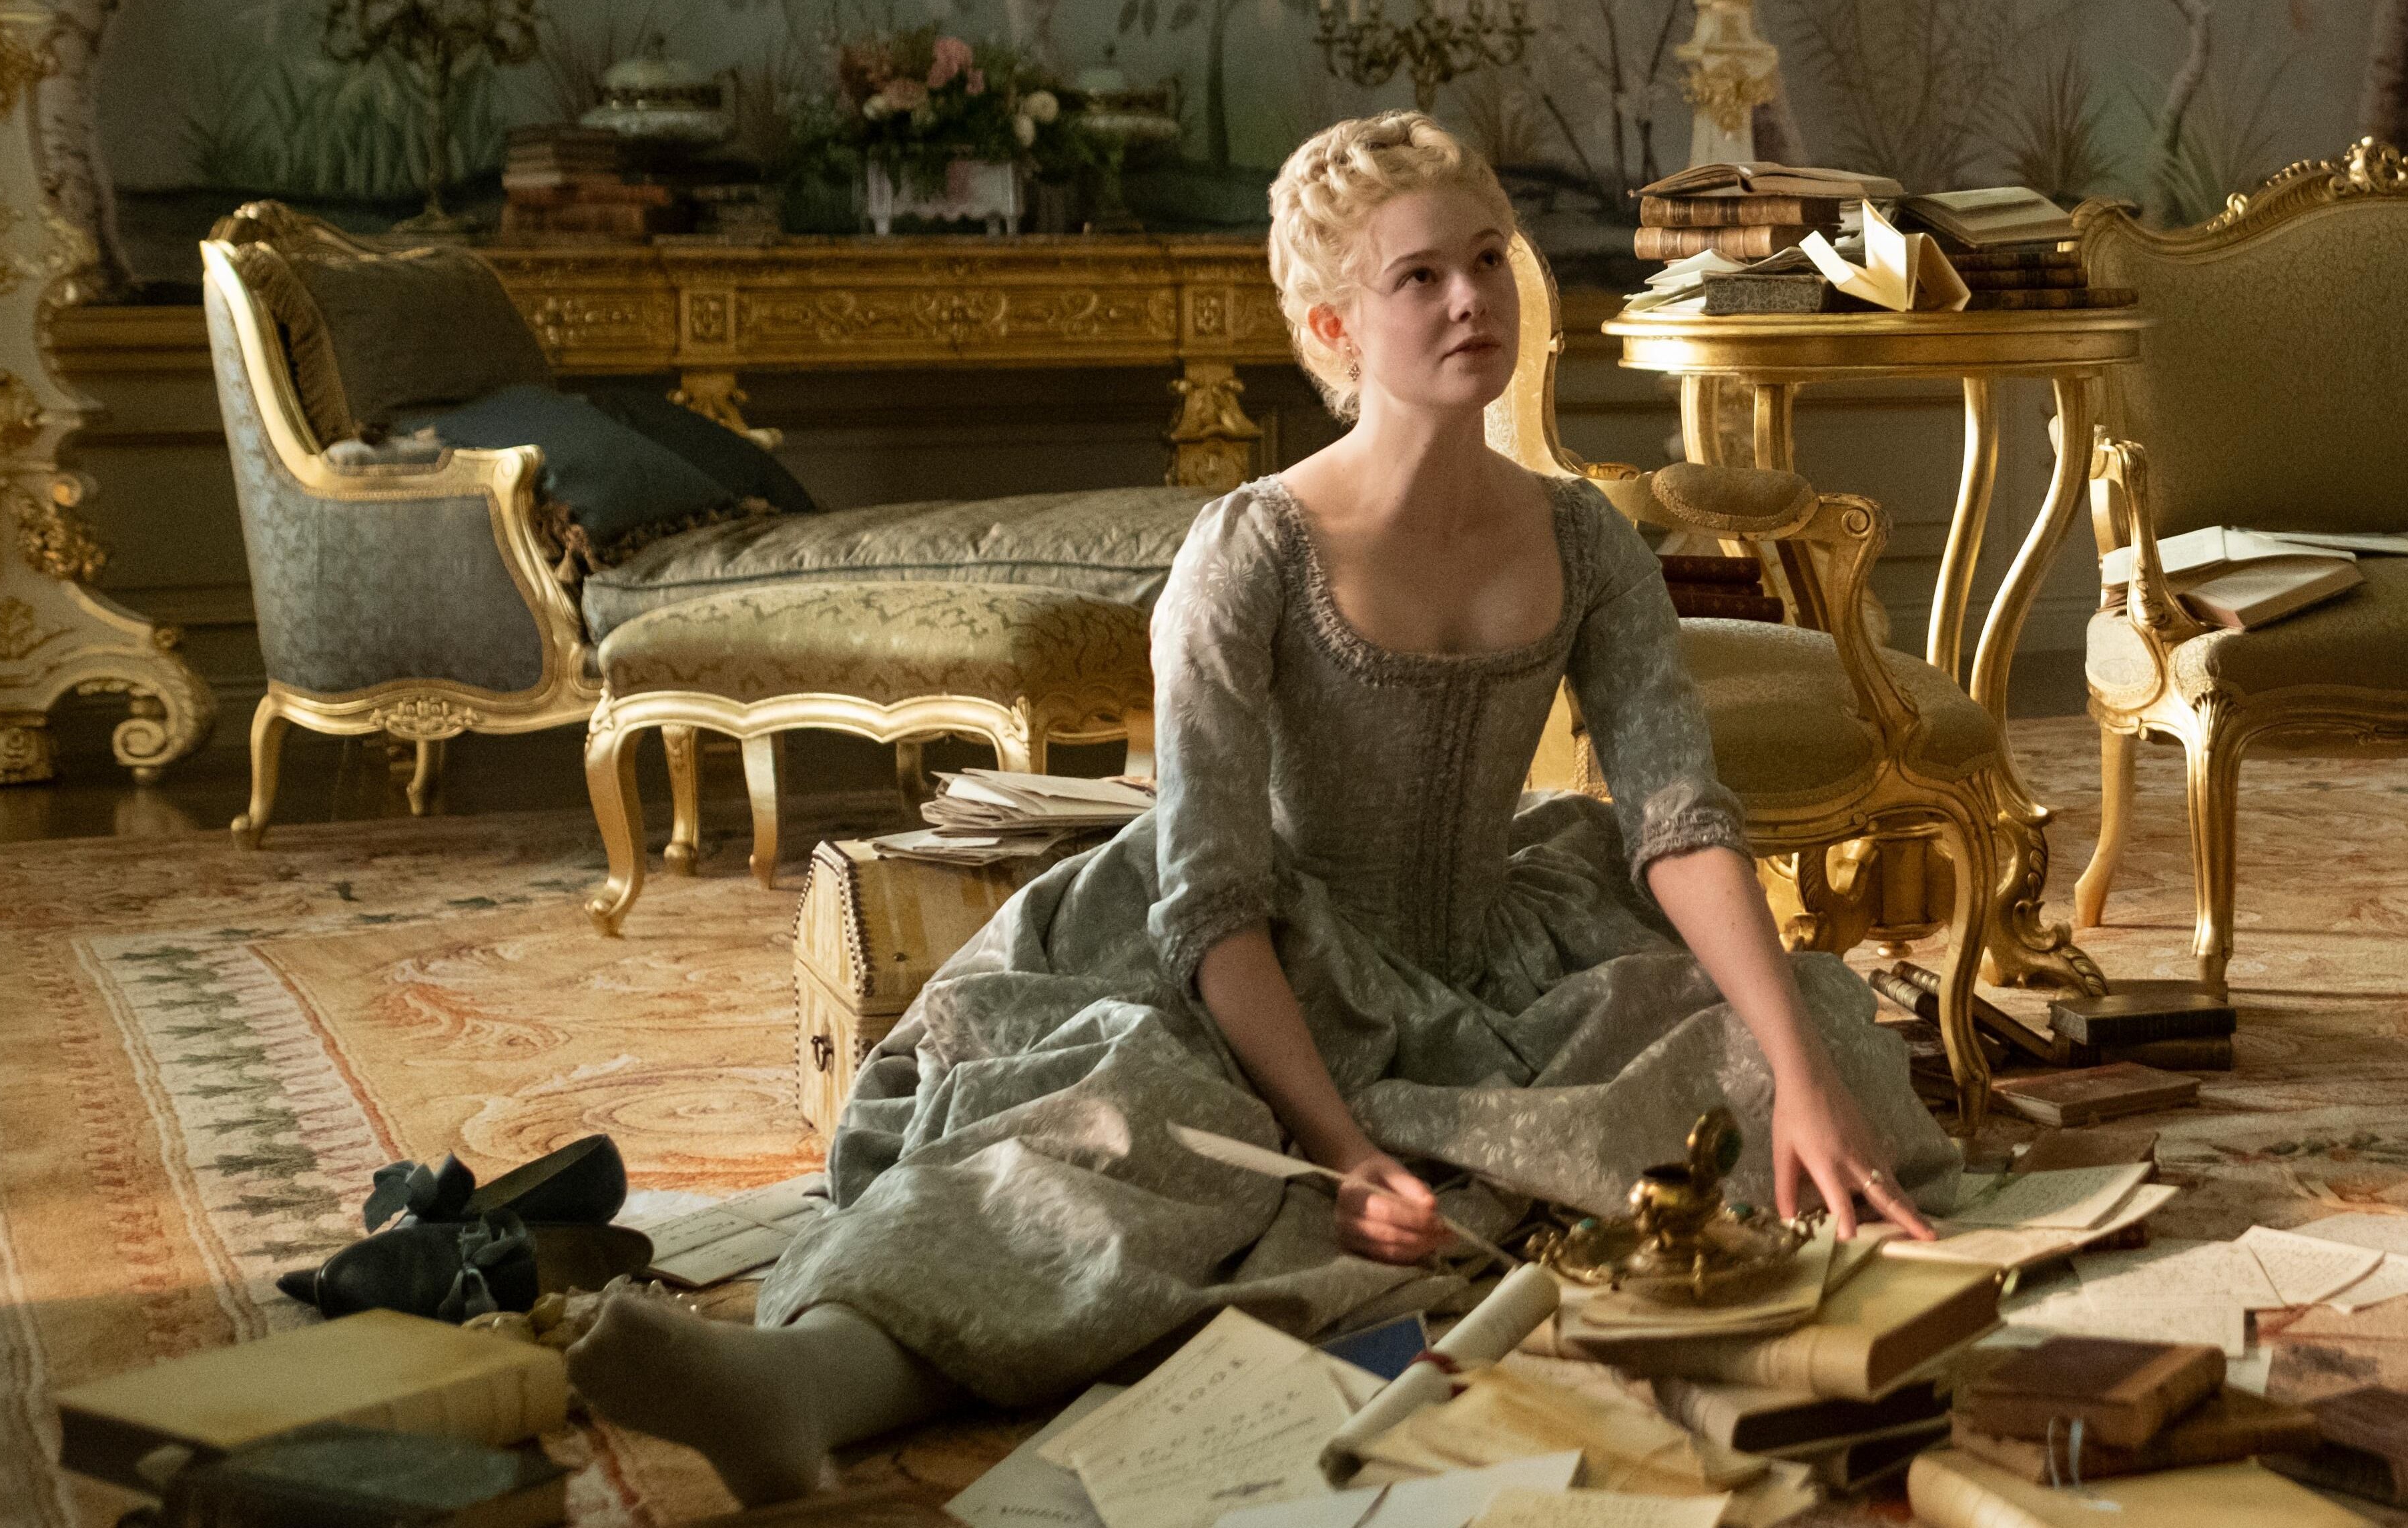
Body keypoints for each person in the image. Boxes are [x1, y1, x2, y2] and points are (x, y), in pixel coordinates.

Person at [567, 113, 1951, 1503]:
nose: (1475, 298)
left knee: (1816, 1042)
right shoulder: (1251, 552)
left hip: (1501, 950)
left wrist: (1803, 1075)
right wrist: (1341, 1148)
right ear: (1335, 328)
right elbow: (1213, 899)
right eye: (1421, 277)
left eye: (1489, 259)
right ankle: (800, 1386)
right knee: (1115, 1147)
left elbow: (1676, 819)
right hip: (1248, 967)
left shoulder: (1585, 537)